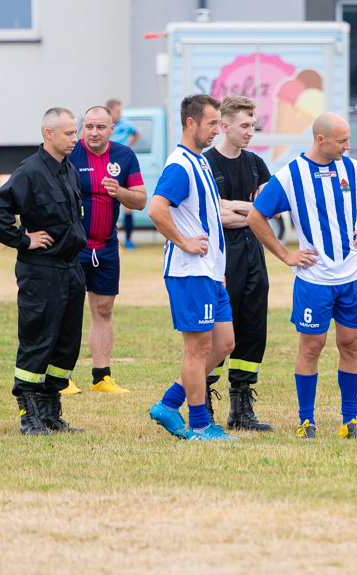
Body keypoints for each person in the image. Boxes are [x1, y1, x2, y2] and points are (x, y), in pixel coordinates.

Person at [247, 112, 357, 439]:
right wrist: (286, 254)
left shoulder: (354, 169)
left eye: (348, 139)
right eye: (342, 140)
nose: (348, 145)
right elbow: (256, 216)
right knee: (312, 346)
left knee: (351, 344)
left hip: (354, 276)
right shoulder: (290, 175)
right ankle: (306, 420)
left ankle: (350, 420)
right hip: (314, 280)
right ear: (320, 139)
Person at [0, 107, 87, 435]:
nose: (76, 138)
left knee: (66, 345)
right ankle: (29, 415)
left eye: (76, 132)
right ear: (49, 134)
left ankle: (50, 409)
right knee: (38, 340)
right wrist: (22, 240)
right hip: (42, 272)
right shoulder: (29, 172)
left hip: (71, 269)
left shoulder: (68, 170)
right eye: (69, 133)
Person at [147, 94, 238, 441]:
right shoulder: (180, 165)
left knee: (224, 343)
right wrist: (184, 242)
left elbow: (207, 218)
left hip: (210, 273)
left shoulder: (198, 161)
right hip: (189, 272)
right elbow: (156, 209)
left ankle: (169, 404)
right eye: (212, 123)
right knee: (197, 350)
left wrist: (218, 266)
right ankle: (199, 425)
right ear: (191, 123)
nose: (218, 129)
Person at [202, 94, 273, 431]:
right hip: (220, 259)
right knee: (216, 333)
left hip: (253, 256)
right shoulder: (205, 163)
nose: (250, 132)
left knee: (252, 328)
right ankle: (203, 399)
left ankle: (241, 406)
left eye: (253, 126)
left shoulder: (257, 164)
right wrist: (249, 210)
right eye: (245, 126)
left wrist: (237, 209)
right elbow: (213, 215)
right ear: (224, 125)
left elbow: (268, 210)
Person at [64, 106, 146, 395]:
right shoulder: (69, 154)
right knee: (68, 310)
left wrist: (119, 192)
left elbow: (140, 201)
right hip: (74, 247)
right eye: (88, 127)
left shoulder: (124, 156)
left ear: (113, 129)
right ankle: (62, 377)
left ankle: (102, 377)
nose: (94, 133)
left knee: (104, 309)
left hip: (108, 246)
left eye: (100, 127)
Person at [106, 99, 140, 249]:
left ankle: (129, 239)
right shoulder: (103, 127)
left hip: (122, 166)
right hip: (107, 165)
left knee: (127, 204)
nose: (120, 114)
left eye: (121, 111)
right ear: (109, 110)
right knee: (106, 202)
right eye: (117, 111)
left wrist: (128, 147)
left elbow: (137, 133)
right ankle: (108, 237)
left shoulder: (126, 124)